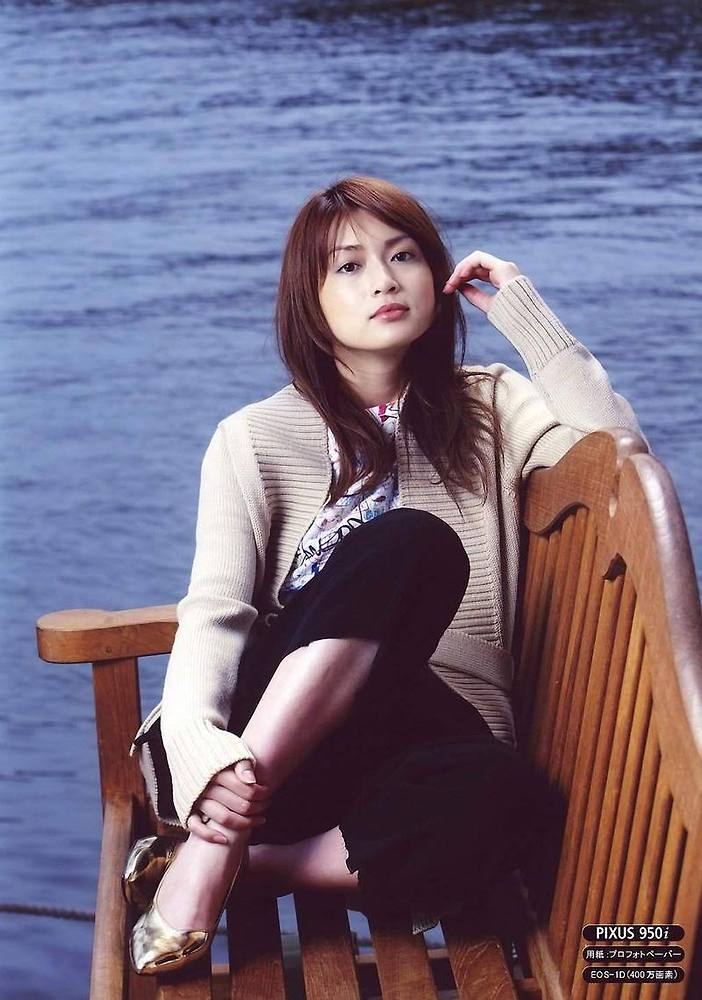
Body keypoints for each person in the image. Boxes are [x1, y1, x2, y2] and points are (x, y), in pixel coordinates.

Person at [125, 175, 647, 975]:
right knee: (408, 541)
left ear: (434, 274)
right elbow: (215, 612)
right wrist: (202, 752)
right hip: (251, 752)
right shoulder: (252, 438)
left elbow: (622, 465)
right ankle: (216, 841)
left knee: (506, 796)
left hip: (406, 751)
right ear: (308, 303)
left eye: (403, 256)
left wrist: (526, 317)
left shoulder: (491, 404)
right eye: (349, 266)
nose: (383, 280)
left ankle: (234, 864)